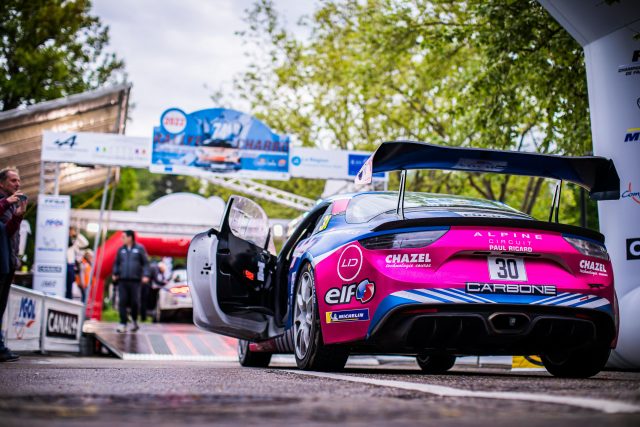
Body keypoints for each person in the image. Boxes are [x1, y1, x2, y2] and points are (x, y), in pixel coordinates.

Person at [0, 167, 27, 362]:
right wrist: (5, 202)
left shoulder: (11, 205)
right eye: (13, 181)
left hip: (7, 262)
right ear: (1, 183)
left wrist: (18, 215)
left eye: (18, 181)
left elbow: (7, 233)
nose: (18, 184)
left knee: (1, 307)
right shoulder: (4, 202)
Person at [111, 230, 149, 333]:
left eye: (124, 237)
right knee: (122, 301)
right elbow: (117, 263)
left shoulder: (139, 249)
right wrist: (115, 273)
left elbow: (145, 263)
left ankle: (134, 320)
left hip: (135, 280)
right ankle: (123, 323)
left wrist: (146, 275)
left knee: (135, 302)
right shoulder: (120, 250)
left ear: (130, 237)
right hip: (122, 280)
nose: (122, 239)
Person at [66, 225, 88, 299]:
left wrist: (77, 234)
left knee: (69, 285)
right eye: (69, 230)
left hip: (70, 265)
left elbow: (85, 243)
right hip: (62, 264)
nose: (70, 232)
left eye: (71, 230)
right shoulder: (62, 239)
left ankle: (68, 299)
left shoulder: (74, 242)